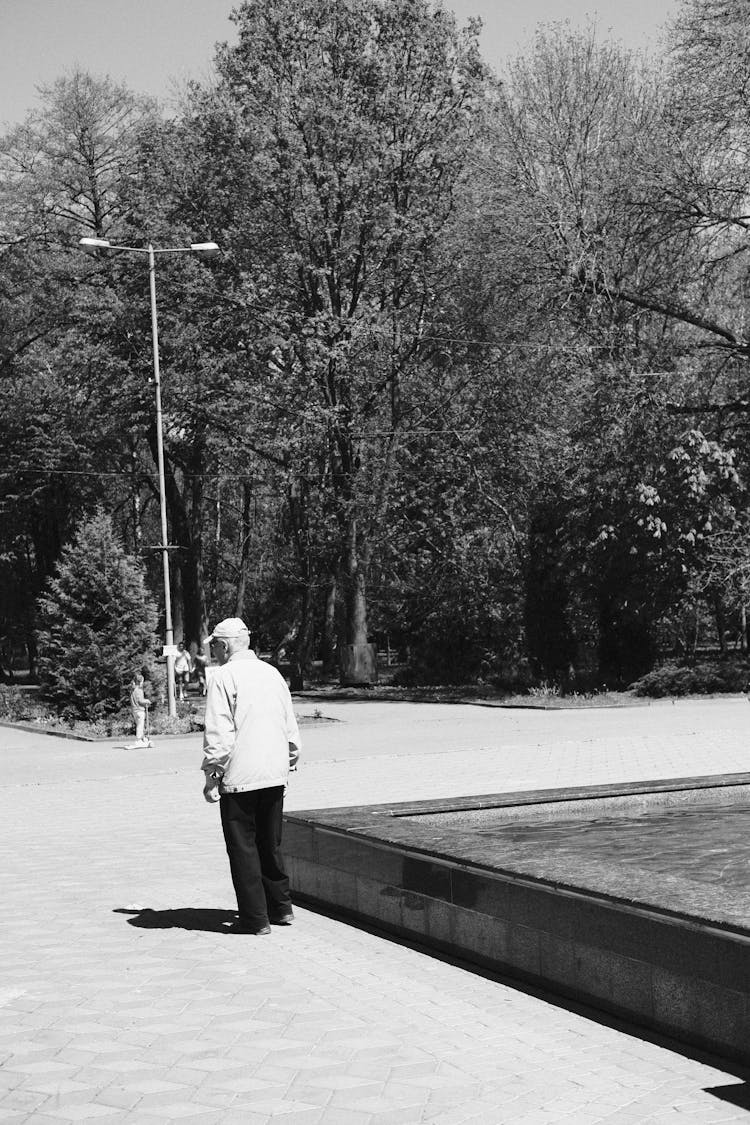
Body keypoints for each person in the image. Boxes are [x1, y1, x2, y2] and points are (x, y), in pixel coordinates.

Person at [201, 617, 301, 935]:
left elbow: (220, 730)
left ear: (226, 645)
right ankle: (281, 908)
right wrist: (290, 758)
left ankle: (255, 919)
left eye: (215, 644)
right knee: (269, 843)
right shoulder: (272, 673)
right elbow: (289, 722)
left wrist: (213, 773)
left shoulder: (224, 676)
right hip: (274, 772)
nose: (213, 650)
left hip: (240, 775)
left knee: (243, 847)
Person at [129, 673, 151, 747]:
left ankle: (143, 738)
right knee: (140, 725)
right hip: (139, 710)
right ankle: (138, 740)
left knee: (139, 724)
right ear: (141, 681)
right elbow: (140, 700)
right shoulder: (139, 690)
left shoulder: (132, 690)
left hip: (134, 710)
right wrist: (147, 701)